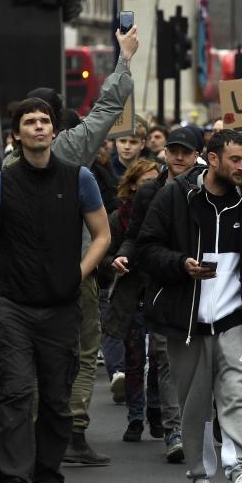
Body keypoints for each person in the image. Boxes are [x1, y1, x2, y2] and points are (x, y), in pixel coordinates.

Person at [0, 97, 112, 483]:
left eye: (44, 121)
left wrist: (78, 273)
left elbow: (103, 234)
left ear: (54, 131)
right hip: (14, 309)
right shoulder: (0, 184)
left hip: (60, 309)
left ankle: (48, 482)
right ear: (16, 134)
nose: (38, 127)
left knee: (56, 401)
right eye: (29, 122)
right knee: (15, 396)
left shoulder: (79, 178)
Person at [137, 129, 242, 483]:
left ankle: (241, 476)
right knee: (194, 404)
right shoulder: (176, 196)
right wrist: (181, 264)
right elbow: (147, 248)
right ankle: (200, 478)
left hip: (234, 319)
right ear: (212, 159)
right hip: (187, 321)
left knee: (240, 395)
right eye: (235, 160)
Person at [16, 26, 136, 467]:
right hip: (71, 274)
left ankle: (34, 434)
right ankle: (72, 433)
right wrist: (124, 58)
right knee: (85, 351)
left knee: (30, 357)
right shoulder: (69, 152)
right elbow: (106, 108)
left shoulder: (5, 167)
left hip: (21, 280)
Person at [118, 127, 201, 462]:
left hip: (202, 284)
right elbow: (136, 234)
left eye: (186, 151)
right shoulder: (149, 191)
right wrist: (124, 254)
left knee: (199, 359)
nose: (179, 156)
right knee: (163, 354)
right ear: (164, 152)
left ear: (198, 155)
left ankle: (200, 424)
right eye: (173, 150)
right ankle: (174, 430)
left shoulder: (208, 189)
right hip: (162, 284)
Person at [101, 158, 162, 443]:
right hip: (130, 298)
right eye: (146, 181)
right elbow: (103, 254)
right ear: (134, 184)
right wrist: (115, 262)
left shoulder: (166, 212)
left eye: (156, 180)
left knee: (161, 360)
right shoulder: (117, 218)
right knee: (135, 360)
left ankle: (158, 414)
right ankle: (135, 417)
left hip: (160, 295)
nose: (151, 186)